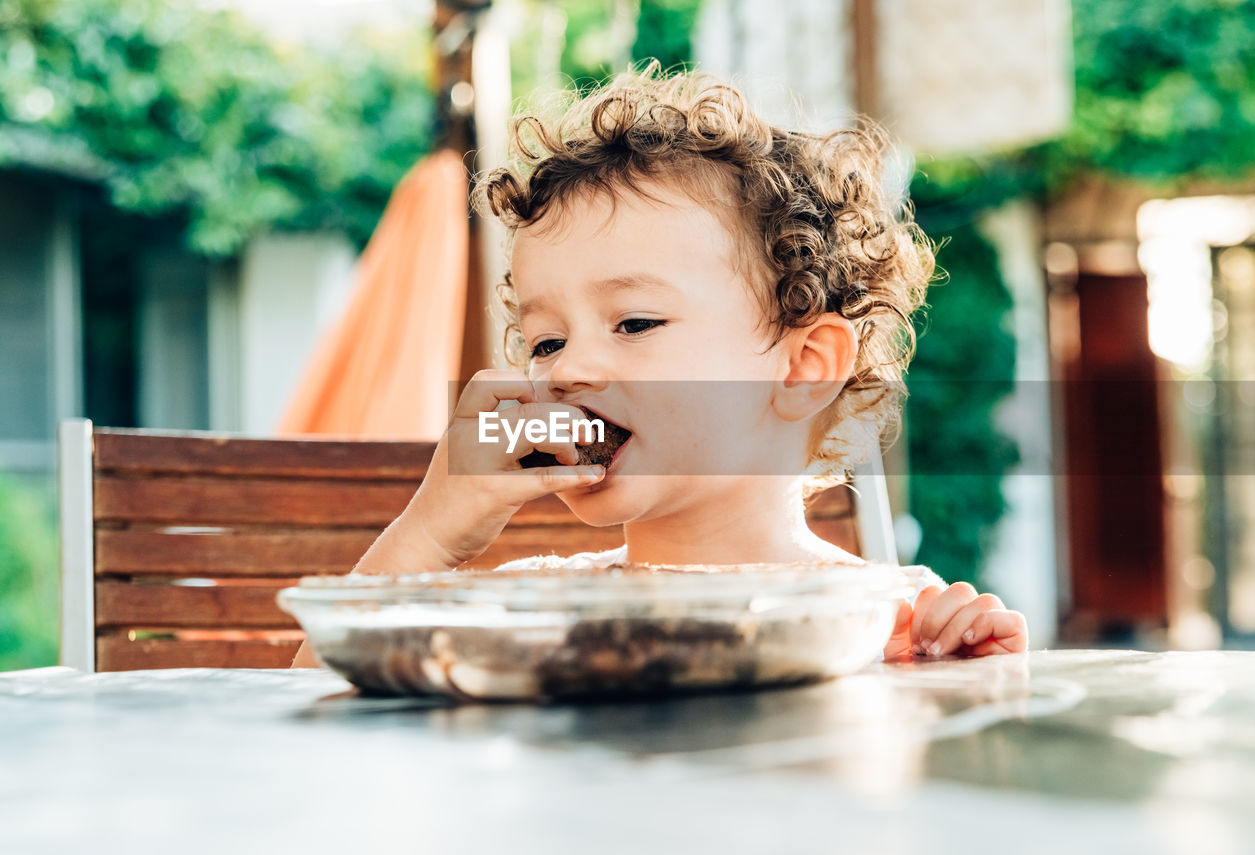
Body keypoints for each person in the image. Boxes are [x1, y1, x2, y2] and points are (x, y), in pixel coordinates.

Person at [292, 67, 1026, 668]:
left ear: (803, 367)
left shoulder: (890, 620)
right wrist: (431, 533)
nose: (568, 369)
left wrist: (973, 673)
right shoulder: (528, 610)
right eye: (544, 341)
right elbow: (306, 699)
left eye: (635, 322)